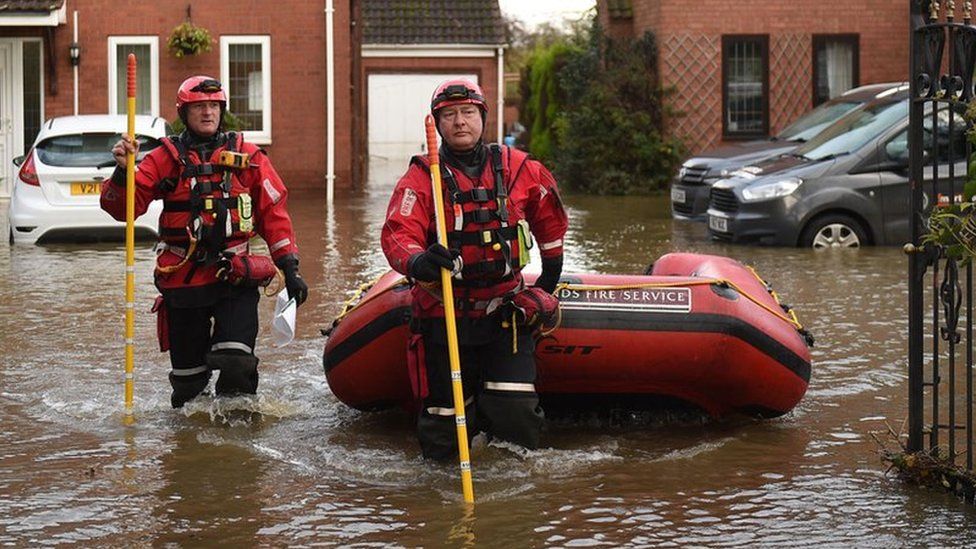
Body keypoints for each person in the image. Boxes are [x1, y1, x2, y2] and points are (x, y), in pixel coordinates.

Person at [380, 79, 568, 460]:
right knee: (444, 429)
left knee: (515, 417)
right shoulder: (422, 177)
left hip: (505, 315)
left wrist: (546, 284)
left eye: (467, 113)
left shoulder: (519, 168)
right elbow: (398, 233)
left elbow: (550, 223)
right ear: (437, 124)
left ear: (483, 117)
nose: (459, 122)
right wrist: (419, 261)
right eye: (449, 115)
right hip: (444, 314)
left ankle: (513, 496)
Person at [100, 75, 308, 408]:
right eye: (199, 107)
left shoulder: (248, 156)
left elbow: (274, 213)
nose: (208, 113)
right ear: (184, 113)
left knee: (237, 363)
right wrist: (124, 173)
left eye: (214, 106)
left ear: (222, 110)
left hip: (234, 277)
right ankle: (192, 443)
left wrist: (290, 267)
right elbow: (122, 209)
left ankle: (234, 440)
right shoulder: (164, 158)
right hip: (183, 281)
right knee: (188, 386)